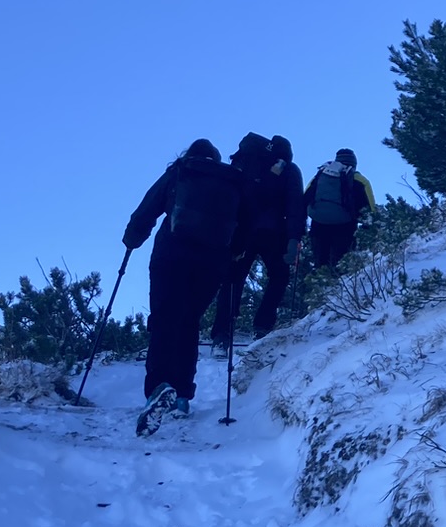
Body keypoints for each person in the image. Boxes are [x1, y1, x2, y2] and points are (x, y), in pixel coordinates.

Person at [122, 139, 249, 433]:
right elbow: (245, 224)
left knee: (164, 319)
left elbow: (148, 207)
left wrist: (132, 239)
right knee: (190, 321)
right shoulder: (231, 181)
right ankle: (182, 395)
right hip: (212, 262)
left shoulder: (181, 170)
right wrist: (235, 254)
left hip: (171, 255)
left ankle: (158, 387)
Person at [209, 133, 305, 347]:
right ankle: (262, 326)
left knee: (233, 279)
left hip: (241, 231)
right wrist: (294, 238)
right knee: (279, 277)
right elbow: (295, 206)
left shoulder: (246, 163)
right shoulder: (290, 170)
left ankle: (222, 334)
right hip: (275, 234)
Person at [303, 148, 376, 267]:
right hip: (344, 226)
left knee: (321, 264)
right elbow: (371, 210)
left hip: (318, 224)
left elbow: (305, 198)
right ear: (354, 164)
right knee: (341, 265)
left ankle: (319, 276)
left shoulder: (321, 174)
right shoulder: (359, 180)